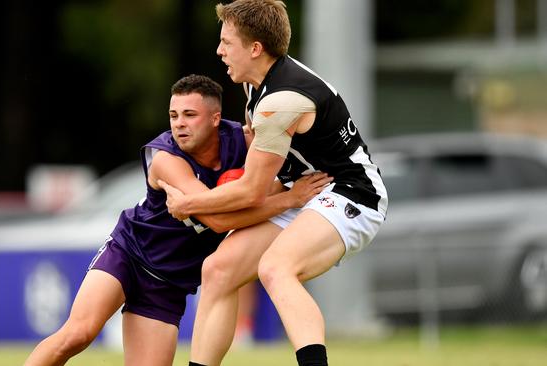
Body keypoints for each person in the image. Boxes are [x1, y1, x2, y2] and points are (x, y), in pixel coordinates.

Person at [23, 74, 332, 366]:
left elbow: (278, 160)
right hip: (128, 254)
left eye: (189, 115)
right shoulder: (166, 159)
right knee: (78, 334)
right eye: (174, 116)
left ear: (214, 118)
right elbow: (217, 222)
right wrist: (289, 200)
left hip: (168, 283)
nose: (179, 125)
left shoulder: (243, 141)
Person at [158, 2, 388, 366]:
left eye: (226, 42)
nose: (219, 51)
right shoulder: (259, 90)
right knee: (217, 270)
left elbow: (251, 189)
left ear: (255, 48)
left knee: (276, 267)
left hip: (353, 194)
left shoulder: (279, 101)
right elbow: (272, 180)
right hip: (304, 192)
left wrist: (189, 205)